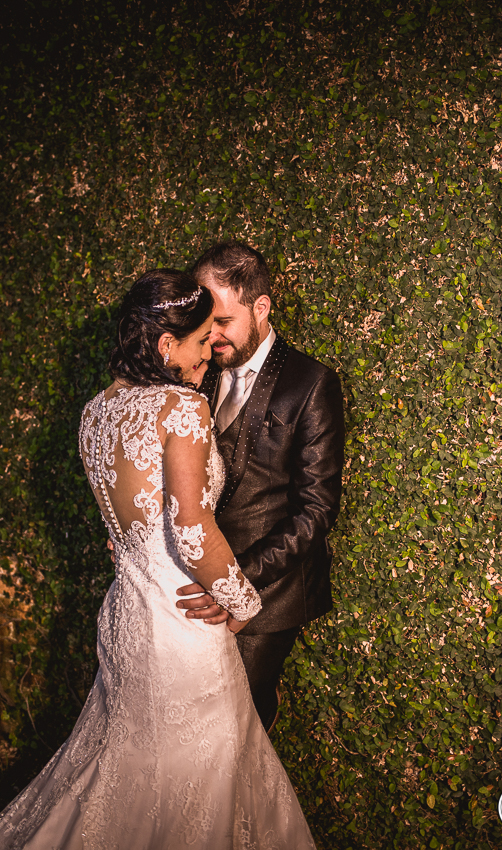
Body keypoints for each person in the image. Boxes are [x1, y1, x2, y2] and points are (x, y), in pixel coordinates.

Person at [0, 269, 316, 849]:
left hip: (125, 617)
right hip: (180, 625)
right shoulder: (182, 409)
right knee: (198, 782)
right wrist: (243, 604)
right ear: (167, 344)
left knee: (128, 770)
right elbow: (191, 531)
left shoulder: (96, 411)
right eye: (200, 343)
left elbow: (124, 528)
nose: (209, 356)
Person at [175, 242, 345, 732]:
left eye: (223, 321)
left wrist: (236, 581)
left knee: (235, 724)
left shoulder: (311, 383)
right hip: (193, 582)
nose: (211, 335)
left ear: (261, 307)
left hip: (269, 592)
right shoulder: (195, 369)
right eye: (205, 323)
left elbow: (315, 509)